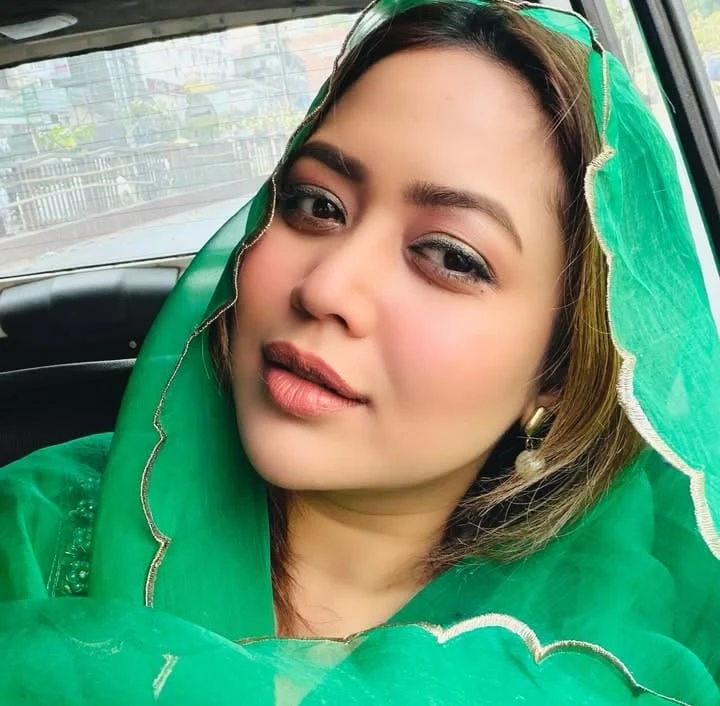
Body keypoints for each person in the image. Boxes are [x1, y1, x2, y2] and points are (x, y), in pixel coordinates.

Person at [1, 1, 719, 703]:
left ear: (558, 372)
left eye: (450, 256)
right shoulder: (30, 538)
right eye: (317, 205)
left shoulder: (637, 661)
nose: (326, 288)